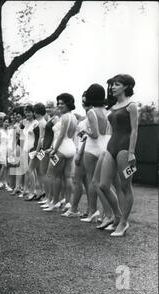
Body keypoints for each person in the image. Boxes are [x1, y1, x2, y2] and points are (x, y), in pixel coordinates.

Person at [98, 74, 138, 236]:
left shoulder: (132, 105)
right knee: (103, 185)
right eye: (112, 85)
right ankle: (118, 215)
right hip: (111, 146)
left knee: (125, 186)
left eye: (117, 84)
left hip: (124, 149)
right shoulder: (113, 107)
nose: (113, 87)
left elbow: (135, 130)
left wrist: (132, 152)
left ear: (126, 87)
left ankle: (123, 223)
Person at [80, 84, 111, 223]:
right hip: (106, 147)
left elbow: (95, 134)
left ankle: (93, 211)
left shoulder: (91, 112)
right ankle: (106, 214)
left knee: (93, 180)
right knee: (106, 183)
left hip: (93, 147)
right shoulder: (107, 111)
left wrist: (84, 131)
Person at [44, 93, 77, 212]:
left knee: (55, 176)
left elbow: (61, 135)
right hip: (70, 148)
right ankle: (68, 202)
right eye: (58, 103)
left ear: (69, 103)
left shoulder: (64, 117)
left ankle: (55, 202)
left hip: (61, 149)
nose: (59, 105)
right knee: (67, 177)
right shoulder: (73, 117)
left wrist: (54, 150)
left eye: (62, 103)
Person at [62, 93, 90, 218]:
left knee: (77, 180)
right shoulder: (83, 120)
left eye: (87, 101)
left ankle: (74, 208)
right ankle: (90, 209)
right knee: (83, 181)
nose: (84, 104)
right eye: (83, 101)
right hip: (79, 150)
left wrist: (79, 154)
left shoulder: (92, 119)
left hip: (85, 152)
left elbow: (88, 138)